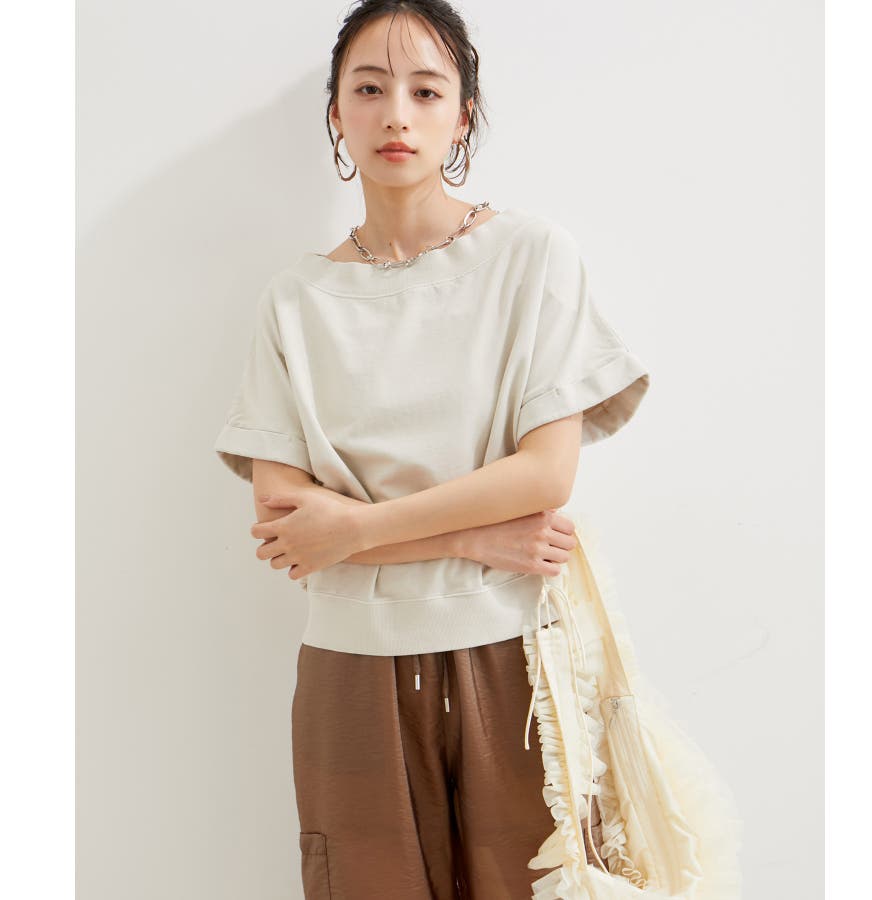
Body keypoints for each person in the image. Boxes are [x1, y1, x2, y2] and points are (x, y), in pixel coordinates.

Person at [213, 2, 650, 897]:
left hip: (510, 648)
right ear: (336, 114)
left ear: (463, 113)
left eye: (425, 90)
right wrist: (469, 536)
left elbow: (546, 473)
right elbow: (290, 526)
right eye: (369, 90)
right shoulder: (296, 300)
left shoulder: (532, 258)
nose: (396, 117)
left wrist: (357, 530)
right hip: (349, 664)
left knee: (538, 881)